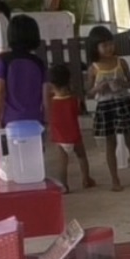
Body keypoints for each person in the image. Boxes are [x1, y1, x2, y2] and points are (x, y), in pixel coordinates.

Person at [87, 25, 130, 191]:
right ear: (95, 48)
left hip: (123, 103)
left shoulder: (121, 62)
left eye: (110, 44)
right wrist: (98, 88)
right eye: (104, 45)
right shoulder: (94, 68)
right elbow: (89, 93)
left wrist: (122, 83)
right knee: (110, 143)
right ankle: (115, 180)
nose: (108, 48)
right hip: (105, 106)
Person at [0, 14, 48, 129]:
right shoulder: (39, 63)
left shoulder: (2, 60)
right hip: (35, 119)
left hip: (10, 120)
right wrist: (47, 119)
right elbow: (46, 94)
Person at [46, 63, 94, 191]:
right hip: (74, 134)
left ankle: (64, 185)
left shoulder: (51, 102)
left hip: (59, 136)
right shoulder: (74, 99)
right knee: (82, 156)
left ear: (52, 84)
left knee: (62, 162)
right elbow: (78, 111)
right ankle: (86, 179)